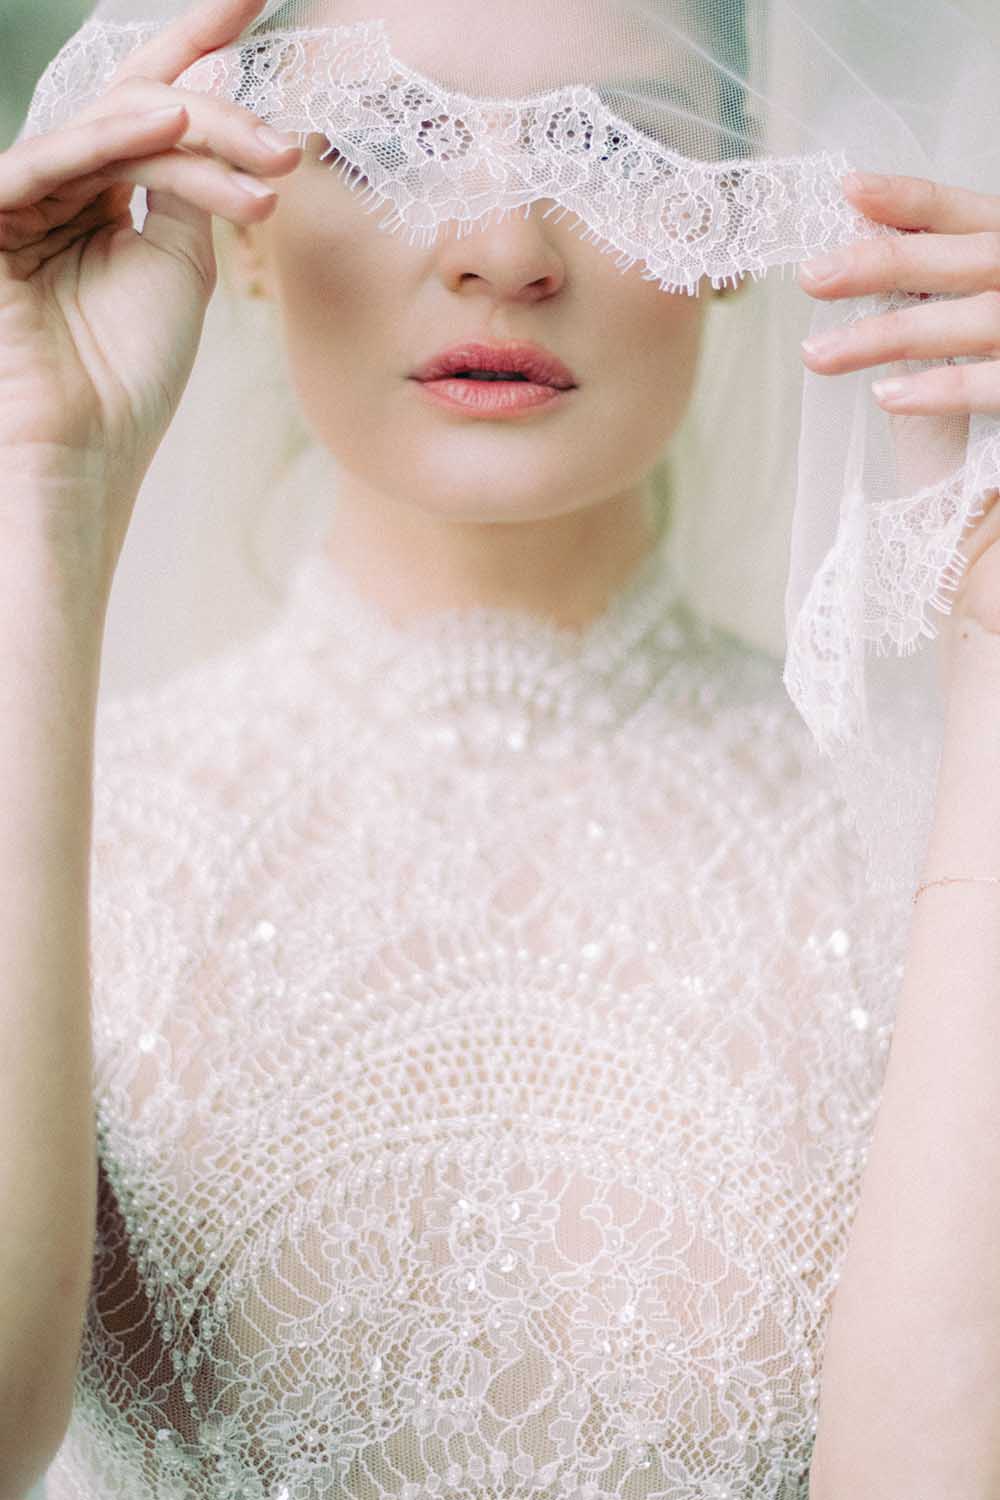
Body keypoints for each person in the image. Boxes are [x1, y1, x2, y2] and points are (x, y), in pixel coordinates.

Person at [2, 1, 1000, 1498]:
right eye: (390, 142)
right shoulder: (68, 811)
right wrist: (40, 477)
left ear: (735, 223)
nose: (506, 247)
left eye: (619, 146)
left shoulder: (921, 836)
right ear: (240, 218)